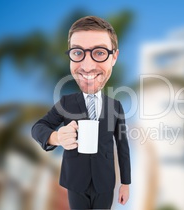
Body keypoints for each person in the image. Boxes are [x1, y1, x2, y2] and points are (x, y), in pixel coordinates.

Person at [31, 16, 131, 209]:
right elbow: (38, 127)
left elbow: (123, 148)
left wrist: (125, 184)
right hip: (75, 182)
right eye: (78, 52)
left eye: (100, 52)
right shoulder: (66, 102)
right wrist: (56, 137)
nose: (87, 66)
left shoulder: (116, 106)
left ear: (114, 57)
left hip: (105, 182)